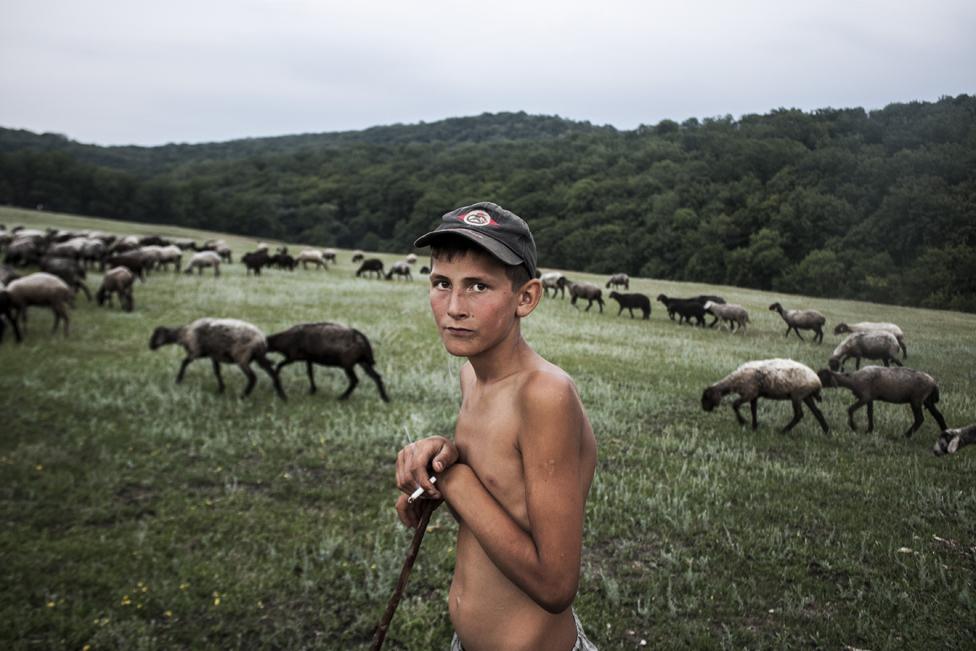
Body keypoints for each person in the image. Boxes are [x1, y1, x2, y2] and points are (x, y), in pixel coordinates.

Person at [394, 202, 599, 651]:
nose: (453, 307)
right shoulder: (473, 374)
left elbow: (555, 584)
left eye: (478, 287)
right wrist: (436, 465)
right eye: (441, 283)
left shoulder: (544, 395)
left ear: (525, 298)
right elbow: (501, 489)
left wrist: (453, 477)